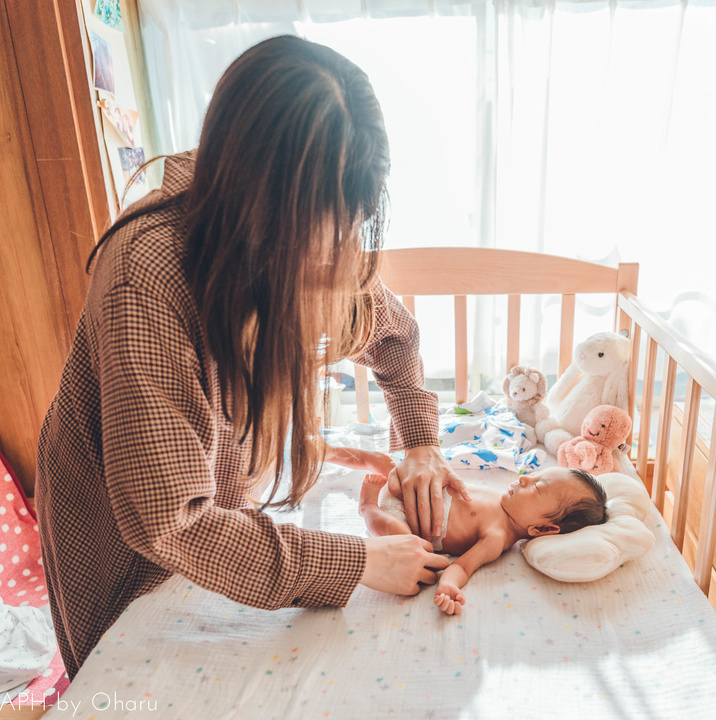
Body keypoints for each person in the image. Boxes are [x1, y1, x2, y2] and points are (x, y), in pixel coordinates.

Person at [34, 35, 469, 678]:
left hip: (214, 497)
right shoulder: (145, 276)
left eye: (347, 222)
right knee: (132, 681)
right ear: (257, 198)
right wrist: (356, 563)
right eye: (319, 225)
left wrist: (420, 442)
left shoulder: (319, 240)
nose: (333, 249)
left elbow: (394, 336)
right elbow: (169, 524)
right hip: (124, 537)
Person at [358, 467, 609, 615]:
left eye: (536, 487)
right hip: (416, 490)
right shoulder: (500, 497)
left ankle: (368, 508)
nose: (523, 479)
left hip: (403, 521)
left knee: (402, 537)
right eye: (533, 474)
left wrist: (448, 586)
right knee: (399, 468)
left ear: (543, 528)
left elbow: (463, 566)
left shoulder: (496, 537)